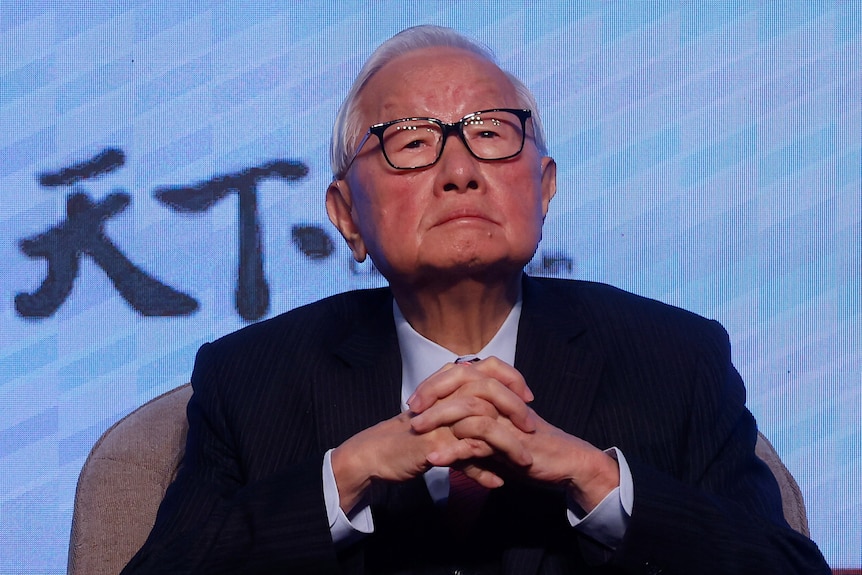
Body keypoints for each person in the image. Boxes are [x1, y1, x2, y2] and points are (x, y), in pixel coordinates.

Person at [122, 25, 831, 574]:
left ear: (544, 188)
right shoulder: (251, 377)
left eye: (491, 133)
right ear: (345, 215)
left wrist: (597, 480)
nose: (459, 170)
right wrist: (347, 474)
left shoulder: (676, 360)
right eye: (410, 141)